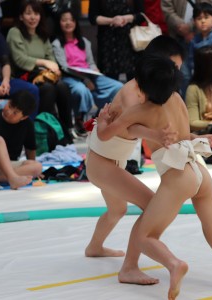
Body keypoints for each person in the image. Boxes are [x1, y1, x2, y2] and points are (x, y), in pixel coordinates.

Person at [98, 55, 212, 300]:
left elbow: (105, 136)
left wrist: (104, 120)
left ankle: (173, 264)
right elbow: (182, 133)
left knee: (143, 236)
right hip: (199, 171)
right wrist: (197, 138)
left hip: (179, 176)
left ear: (141, 87)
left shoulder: (139, 111)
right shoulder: (177, 99)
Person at [84, 35, 186, 286]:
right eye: (173, 69)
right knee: (151, 206)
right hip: (102, 161)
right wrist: (157, 135)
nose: (176, 75)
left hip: (112, 159)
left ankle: (94, 247)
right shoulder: (133, 92)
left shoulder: (153, 91)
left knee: (117, 209)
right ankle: (129, 267)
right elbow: (129, 129)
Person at [6, 0, 74, 140]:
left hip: (43, 75)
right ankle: (42, 131)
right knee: (48, 89)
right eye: (28, 13)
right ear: (20, 16)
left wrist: (54, 68)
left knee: (62, 87)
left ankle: (66, 130)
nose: (33, 17)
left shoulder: (42, 35)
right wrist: (44, 62)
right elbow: (20, 60)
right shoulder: (15, 32)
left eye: (36, 13)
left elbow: (52, 59)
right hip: (21, 76)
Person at [52, 7, 123, 136]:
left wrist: (95, 70)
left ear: (75, 22)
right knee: (81, 90)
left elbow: (90, 62)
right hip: (70, 76)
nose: (68, 23)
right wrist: (85, 80)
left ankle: (98, 117)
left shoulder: (84, 41)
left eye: (71, 20)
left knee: (118, 87)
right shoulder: (57, 44)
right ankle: (80, 121)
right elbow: (64, 67)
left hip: (89, 74)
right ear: (59, 23)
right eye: (64, 20)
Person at [161, 0, 212, 98]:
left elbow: (208, 6)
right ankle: (188, 105)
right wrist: (182, 28)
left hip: (201, 35)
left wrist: (191, 27)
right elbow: (167, 11)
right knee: (184, 75)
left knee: (205, 73)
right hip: (177, 37)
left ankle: (205, 104)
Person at [0, 90, 42, 189]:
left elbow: (30, 148)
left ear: (24, 117)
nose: (9, 112)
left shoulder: (27, 124)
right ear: (8, 101)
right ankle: (12, 178)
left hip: (9, 165)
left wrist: (33, 171)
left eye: (15, 112)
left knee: (37, 167)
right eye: (10, 106)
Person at [88, 0, 145, 81]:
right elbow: (92, 18)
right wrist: (112, 20)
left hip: (131, 41)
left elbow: (141, 15)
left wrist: (125, 18)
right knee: (110, 80)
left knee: (134, 79)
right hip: (107, 42)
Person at [0, 28, 39, 120]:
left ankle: (29, 125)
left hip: (1, 79)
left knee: (32, 89)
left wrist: (6, 80)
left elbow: (5, 63)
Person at [188, 2, 212, 73]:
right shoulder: (194, 40)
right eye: (199, 18)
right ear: (194, 22)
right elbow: (192, 59)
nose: (203, 21)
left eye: (206, 17)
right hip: (201, 74)